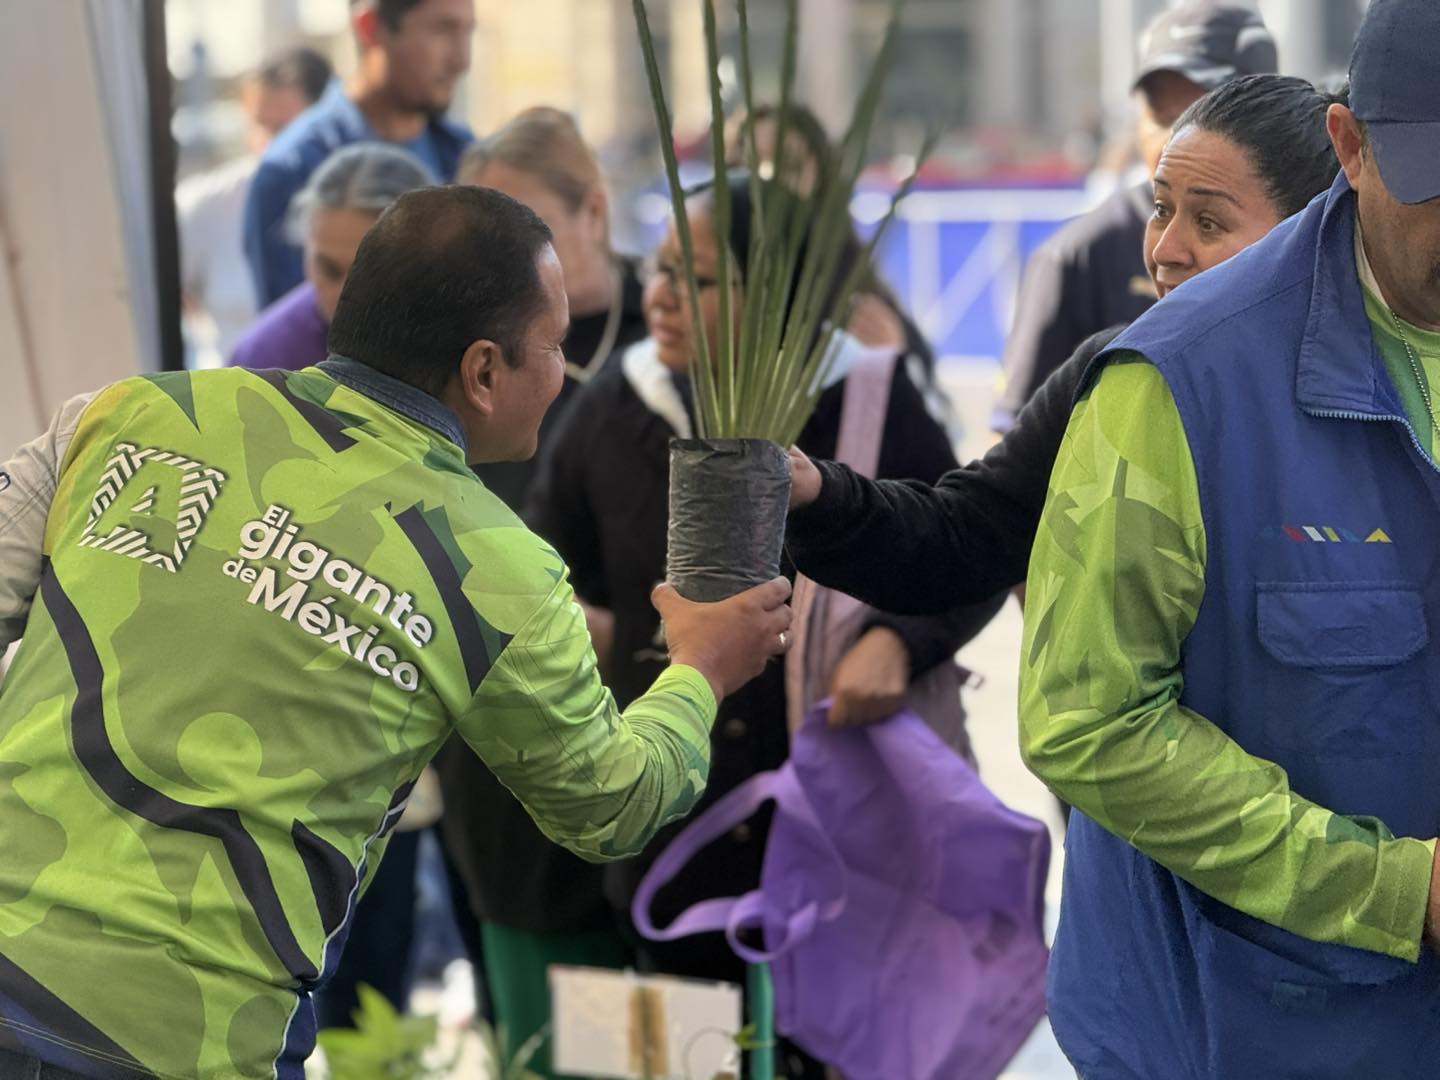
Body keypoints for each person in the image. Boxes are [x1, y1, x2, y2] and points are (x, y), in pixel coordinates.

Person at [0, 185, 792, 1078]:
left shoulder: (131, 412)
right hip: (184, 1037)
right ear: (485, 371)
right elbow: (610, 804)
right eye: (556, 347)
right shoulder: (498, 571)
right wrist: (701, 666)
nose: (564, 371)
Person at [527, 175, 1002, 1079]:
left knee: (841, 1054)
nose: (661, 296)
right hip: (667, 835)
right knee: (668, 1062)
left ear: (777, 294)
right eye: (661, 269)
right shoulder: (615, 406)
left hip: (843, 840)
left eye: (697, 279)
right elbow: (548, 566)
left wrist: (898, 642)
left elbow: (970, 555)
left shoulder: (867, 397)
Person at [784, 74, 1344, 616]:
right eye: (1161, 209)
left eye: (1209, 222)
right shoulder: (1110, 375)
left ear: (1308, 235)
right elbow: (961, 535)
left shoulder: (1386, 402)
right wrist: (817, 494)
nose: (1165, 250)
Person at [991, 0, 1275, 433]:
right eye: (1160, 116)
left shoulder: (1323, 235)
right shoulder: (1077, 256)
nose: (1173, 137)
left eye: (1201, 114)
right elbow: (1014, 465)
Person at [453, 106, 650, 510]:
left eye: (530, 235)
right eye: (487, 243)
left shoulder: (665, 326)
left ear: (594, 211)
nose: (504, 265)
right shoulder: (469, 348)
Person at [243, 0, 475, 307]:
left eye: (467, 31)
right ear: (370, 28)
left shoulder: (465, 156)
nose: (462, 60)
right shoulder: (293, 170)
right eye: (442, 30)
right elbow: (292, 338)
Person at [178, 47, 332, 366]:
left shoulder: (353, 211)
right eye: (261, 125)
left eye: (287, 129)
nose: (270, 143)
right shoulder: (202, 205)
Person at [229, 143, 435, 372]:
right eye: (329, 270)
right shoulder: (264, 358)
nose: (347, 297)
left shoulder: (468, 344)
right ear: (306, 248)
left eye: (373, 276)